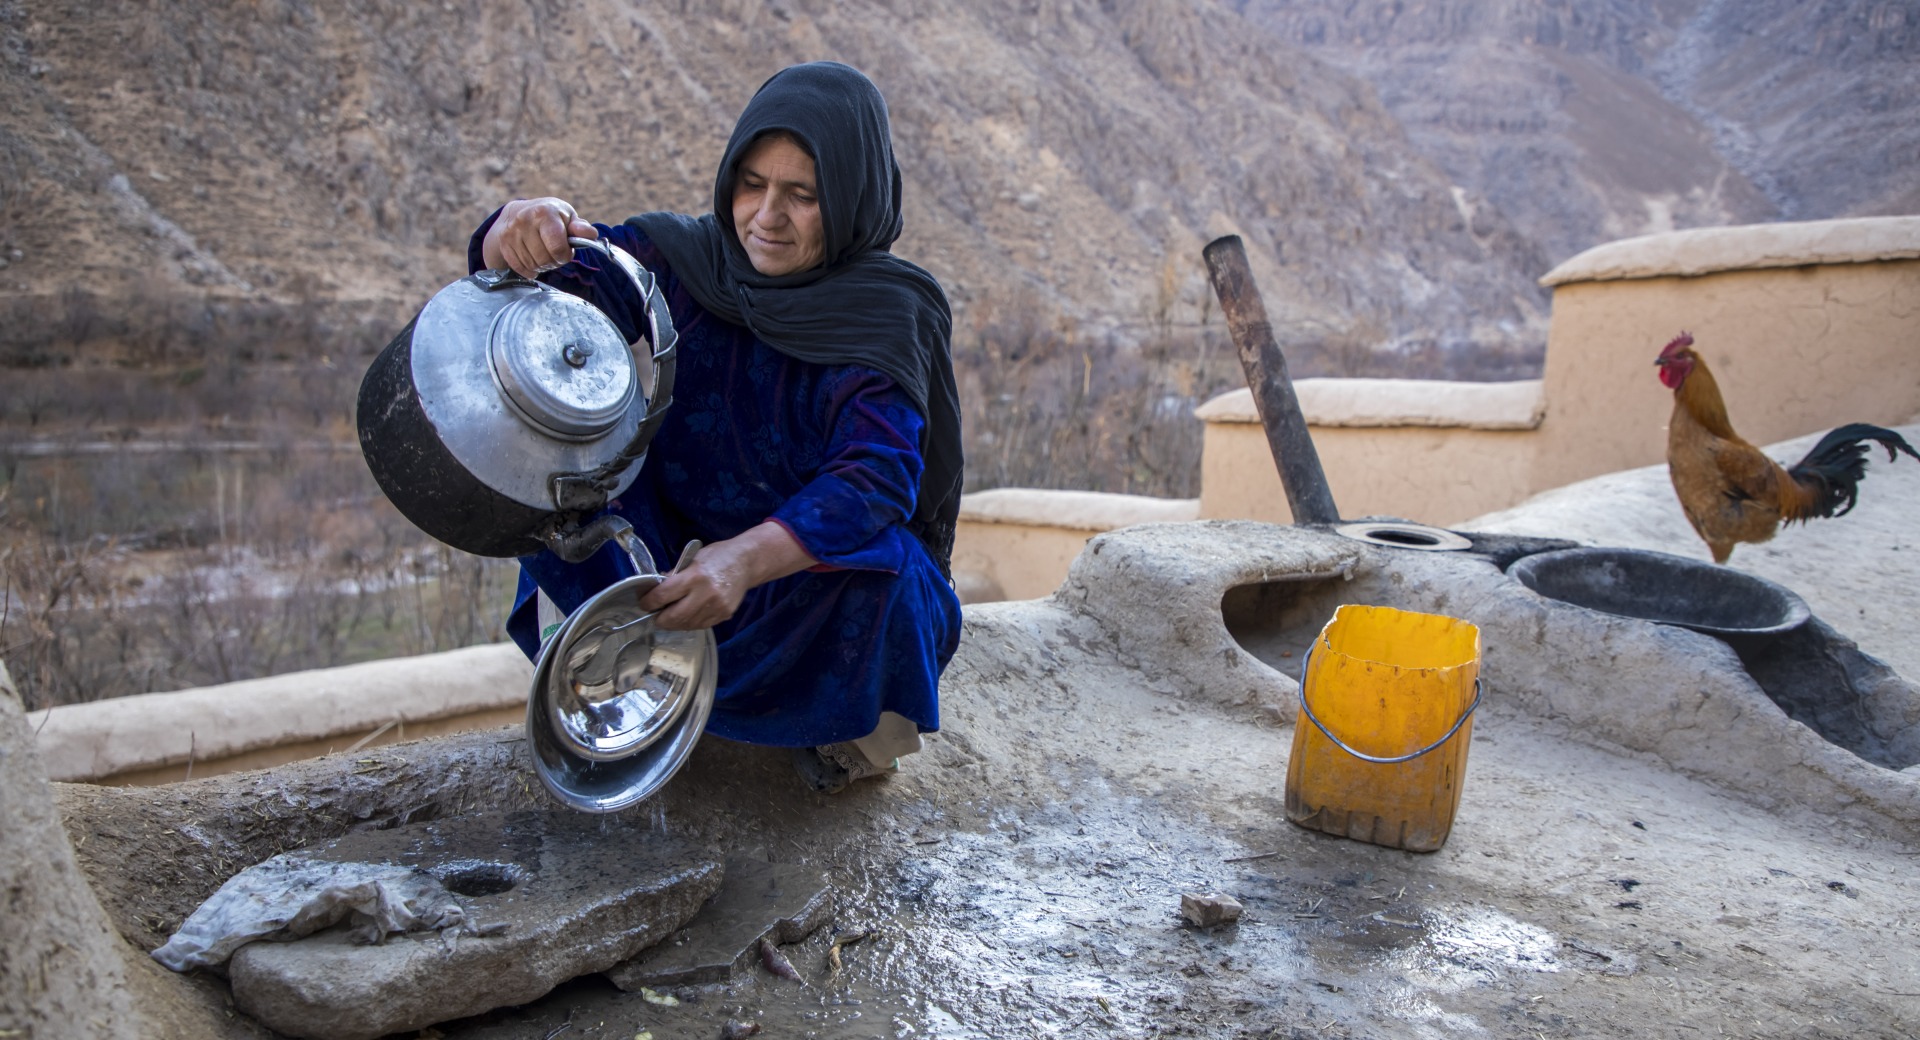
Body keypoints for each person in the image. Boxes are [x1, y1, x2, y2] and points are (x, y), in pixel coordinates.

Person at [472, 62, 963, 793]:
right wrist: (514, 232)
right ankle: (614, 700)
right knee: (566, 498)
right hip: (667, 556)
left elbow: (874, 478)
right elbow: (556, 289)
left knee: (889, 579)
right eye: (752, 184)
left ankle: (842, 742)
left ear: (853, 197)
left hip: (791, 573)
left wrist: (740, 563)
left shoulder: (885, 313)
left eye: (803, 195)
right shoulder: (685, 262)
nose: (767, 215)